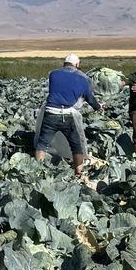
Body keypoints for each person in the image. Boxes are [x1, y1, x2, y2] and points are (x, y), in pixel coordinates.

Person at [35, 54, 103, 186]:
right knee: (76, 146)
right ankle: (78, 172)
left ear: (64, 63)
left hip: (50, 113)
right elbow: (89, 98)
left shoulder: (53, 74)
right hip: (67, 114)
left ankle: (38, 170)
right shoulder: (83, 79)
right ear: (77, 65)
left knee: (42, 143)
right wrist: (98, 107)